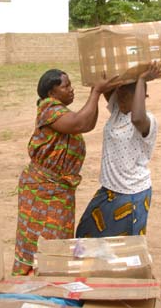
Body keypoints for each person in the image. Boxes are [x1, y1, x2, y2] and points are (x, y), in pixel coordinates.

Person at [75, 61, 161, 305]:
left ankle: (155, 287)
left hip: (132, 194)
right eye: (118, 95)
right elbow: (107, 83)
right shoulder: (118, 111)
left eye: (125, 95)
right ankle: (98, 280)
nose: (118, 98)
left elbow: (138, 115)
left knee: (130, 250)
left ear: (141, 97)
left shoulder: (146, 121)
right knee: (86, 233)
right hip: (109, 191)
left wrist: (141, 79)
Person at [12, 69, 119, 275]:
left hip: (58, 189)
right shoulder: (49, 108)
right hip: (42, 189)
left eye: (70, 85)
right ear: (51, 92)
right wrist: (95, 92)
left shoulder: (60, 109)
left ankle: (51, 278)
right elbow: (80, 122)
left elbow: (87, 123)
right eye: (66, 86)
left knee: (57, 238)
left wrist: (94, 94)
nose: (71, 90)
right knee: (39, 239)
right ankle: (32, 280)